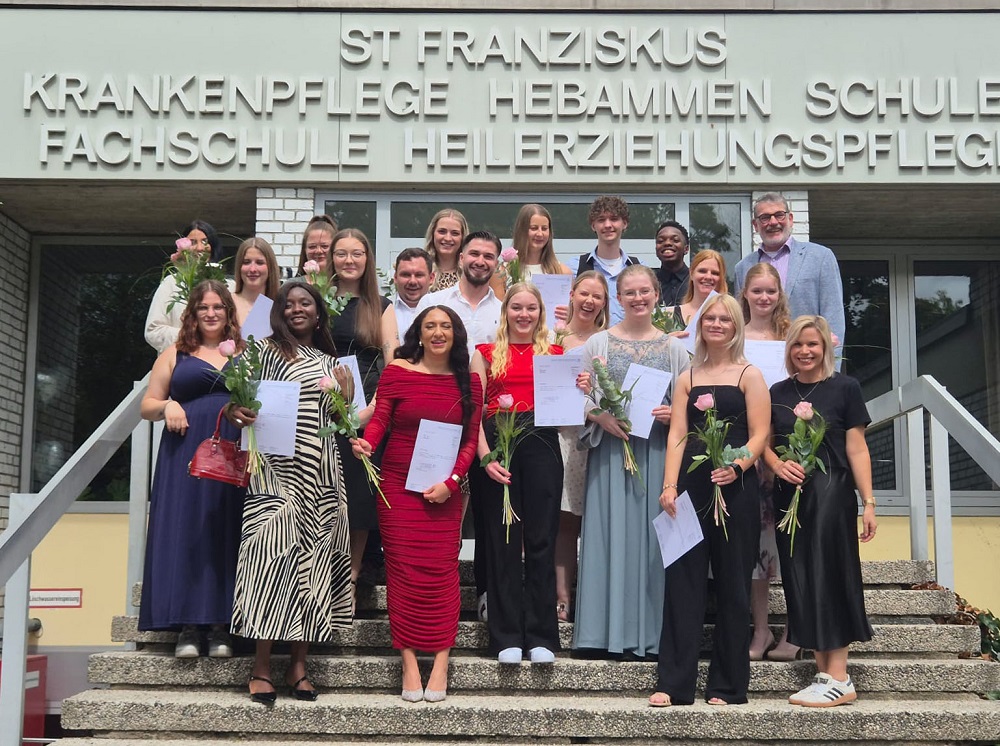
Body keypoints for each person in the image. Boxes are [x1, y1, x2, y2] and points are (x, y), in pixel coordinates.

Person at [227, 281, 354, 704]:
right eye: (289, 304)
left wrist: (347, 396)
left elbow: (345, 421)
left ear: (319, 314)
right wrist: (235, 412)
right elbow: (232, 402)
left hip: (320, 475)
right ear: (278, 312)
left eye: (306, 303)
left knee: (312, 566)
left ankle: (299, 664)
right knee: (269, 564)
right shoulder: (259, 352)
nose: (298, 309)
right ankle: (261, 666)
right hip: (274, 476)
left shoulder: (333, 362)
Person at [351, 306, 483, 703]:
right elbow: (380, 421)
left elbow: (471, 442)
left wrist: (452, 482)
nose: (438, 332)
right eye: (430, 326)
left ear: (456, 334)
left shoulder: (470, 382)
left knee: (442, 571)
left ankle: (441, 660)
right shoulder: (397, 372)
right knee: (403, 572)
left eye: (445, 326)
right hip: (397, 486)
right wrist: (367, 443)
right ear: (419, 334)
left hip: (445, 488)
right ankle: (408, 660)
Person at [653, 293, 770, 707]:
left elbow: (759, 436)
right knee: (682, 583)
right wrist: (669, 486)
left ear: (736, 326)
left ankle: (727, 685)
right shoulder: (687, 376)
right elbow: (677, 435)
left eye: (725, 319)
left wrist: (737, 466)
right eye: (711, 318)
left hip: (735, 488)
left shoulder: (750, 375)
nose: (716, 324)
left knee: (733, 584)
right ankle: (674, 683)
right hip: (691, 487)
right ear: (701, 325)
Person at [573, 265, 689, 657]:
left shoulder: (675, 349)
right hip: (611, 451)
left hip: (657, 454)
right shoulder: (598, 344)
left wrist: (675, 413)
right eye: (629, 293)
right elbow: (580, 397)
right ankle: (601, 634)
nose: (638, 298)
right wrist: (598, 414)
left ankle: (653, 636)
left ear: (657, 295)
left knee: (654, 543)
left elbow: (688, 401)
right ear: (617, 299)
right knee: (608, 537)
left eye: (645, 291)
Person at [765, 315, 876, 707]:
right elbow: (764, 441)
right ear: (789, 349)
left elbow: (856, 448)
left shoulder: (845, 388)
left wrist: (869, 502)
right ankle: (823, 673)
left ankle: (840, 676)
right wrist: (777, 465)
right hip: (789, 498)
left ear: (825, 347)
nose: (805, 352)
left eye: (812, 344)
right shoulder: (777, 391)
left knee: (830, 573)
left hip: (832, 493)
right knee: (799, 577)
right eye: (798, 345)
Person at [138, 279, 244, 659]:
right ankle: (185, 625)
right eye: (204, 308)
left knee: (223, 531)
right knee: (186, 531)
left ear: (229, 312)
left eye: (218, 307)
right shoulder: (176, 353)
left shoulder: (245, 354)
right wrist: (166, 406)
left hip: (230, 452)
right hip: (183, 453)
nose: (211, 313)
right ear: (193, 314)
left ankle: (221, 626)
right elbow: (147, 404)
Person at [471, 283, 567, 664]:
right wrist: (484, 458)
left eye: (531, 308)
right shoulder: (484, 354)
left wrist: (581, 389)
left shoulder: (556, 354)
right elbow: (473, 413)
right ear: (505, 311)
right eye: (516, 308)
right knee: (502, 541)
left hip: (542, 445)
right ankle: (506, 635)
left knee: (542, 539)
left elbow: (567, 415)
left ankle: (542, 635)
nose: (523, 315)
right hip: (497, 447)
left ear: (541, 313)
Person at [417, 230, 503, 620]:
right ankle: (434, 595)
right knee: (436, 507)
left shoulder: (502, 311)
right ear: (461, 256)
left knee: (486, 512)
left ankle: (485, 593)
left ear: (497, 263)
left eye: (488, 255)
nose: (480, 261)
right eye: (474, 253)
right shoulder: (433, 303)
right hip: (438, 415)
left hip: (486, 423)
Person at [327, 228, 398, 600]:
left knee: (360, 494)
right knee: (326, 492)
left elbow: (392, 364)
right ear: (331, 259)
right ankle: (326, 572)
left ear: (367, 259)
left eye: (357, 253)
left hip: (366, 412)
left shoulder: (381, 306)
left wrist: (373, 411)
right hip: (322, 410)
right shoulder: (320, 303)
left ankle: (352, 578)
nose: (349, 260)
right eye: (341, 253)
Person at [740, 263, 798, 661]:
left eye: (770, 291)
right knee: (758, 551)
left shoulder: (792, 336)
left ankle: (795, 630)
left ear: (779, 294)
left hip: (790, 452)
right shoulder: (735, 336)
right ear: (744, 293)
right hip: (747, 454)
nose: (763, 298)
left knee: (793, 546)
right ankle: (760, 631)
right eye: (757, 291)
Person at [554, 271, 610, 622]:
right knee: (564, 520)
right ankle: (562, 596)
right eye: (584, 294)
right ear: (572, 295)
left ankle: (595, 598)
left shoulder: (610, 340)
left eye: (598, 296)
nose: (589, 301)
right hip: (564, 434)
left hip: (603, 436)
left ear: (605, 303)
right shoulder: (553, 336)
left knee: (600, 518)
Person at [733, 192, 846, 351]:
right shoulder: (743, 267)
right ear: (755, 225)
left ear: (790, 219)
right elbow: (742, 319)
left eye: (779, 215)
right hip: (758, 363)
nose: (773, 222)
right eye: (765, 217)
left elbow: (833, 317)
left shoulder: (821, 258)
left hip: (808, 362)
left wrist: (831, 370)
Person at [145, 220, 233, 354]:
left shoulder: (230, 286)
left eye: (205, 241)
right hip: (178, 363)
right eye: (193, 242)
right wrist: (191, 337)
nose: (199, 248)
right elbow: (153, 331)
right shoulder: (171, 283)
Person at [568, 196, 639, 325]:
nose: (607, 225)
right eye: (601, 220)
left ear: (625, 223)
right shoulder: (574, 267)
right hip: (587, 342)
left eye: (614, 219)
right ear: (593, 226)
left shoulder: (638, 268)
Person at [491, 203, 571, 301]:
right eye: (534, 228)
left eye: (544, 228)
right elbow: (499, 312)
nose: (540, 233)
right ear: (521, 230)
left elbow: (570, 310)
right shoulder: (502, 272)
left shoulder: (562, 272)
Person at [674, 249, 729, 328]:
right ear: (691, 273)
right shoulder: (668, 315)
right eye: (702, 271)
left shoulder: (731, 316)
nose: (708, 277)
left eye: (715, 273)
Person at [232, 237, 280, 326]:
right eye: (246, 262)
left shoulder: (279, 307)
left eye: (259, 262)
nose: (252, 269)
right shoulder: (227, 302)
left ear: (270, 267)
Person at [392, 247, 435, 337]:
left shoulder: (444, 310)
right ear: (395, 277)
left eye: (419, 275)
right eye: (406, 275)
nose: (412, 281)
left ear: (431, 278)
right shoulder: (381, 311)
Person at [425, 209, 469, 292]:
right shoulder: (421, 269)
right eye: (442, 232)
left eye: (455, 233)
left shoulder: (470, 272)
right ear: (432, 234)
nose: (448, 238)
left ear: (462, 237)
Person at [654, 221, 691, 308]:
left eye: (675, 240)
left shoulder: (696, 281)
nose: (667, 243)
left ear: (686, 249)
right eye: (661, 241)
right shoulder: (649, 282)